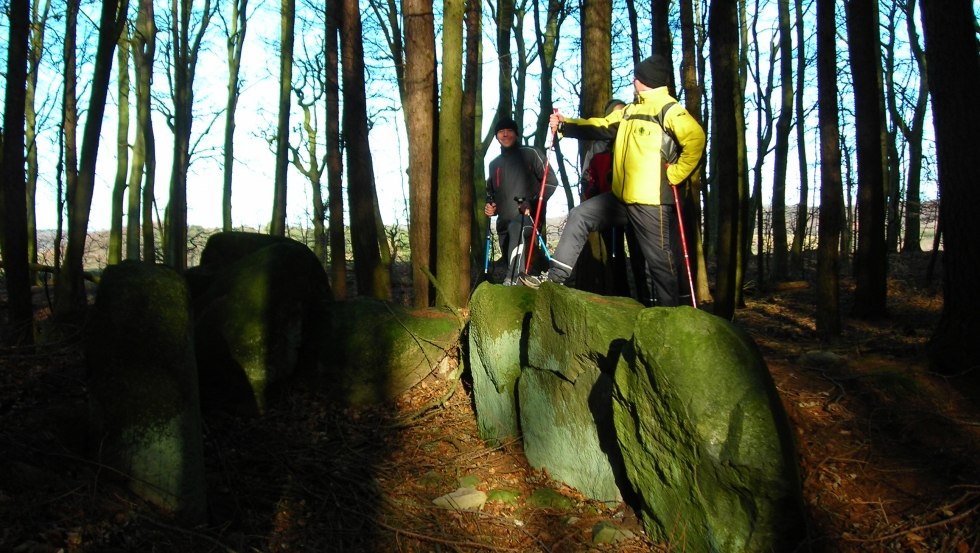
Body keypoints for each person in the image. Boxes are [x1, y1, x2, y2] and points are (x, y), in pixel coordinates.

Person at [520, 54, 705, 307]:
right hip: (620, 198)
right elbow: (601, 125)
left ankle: (672, 317)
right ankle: (554, 278)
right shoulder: (631, 110)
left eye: (637, 77)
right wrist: (565, 125)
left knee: (661, 264)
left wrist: (676, 173)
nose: (633, 80)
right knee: (579, 215)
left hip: (651, 202)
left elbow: (695, 139)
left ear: (646, 81)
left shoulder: (669, 110)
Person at [485, 116, 558, 285]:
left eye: (509, 131)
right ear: (496, 136)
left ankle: (514, 280)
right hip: (503, 224)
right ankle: (519, 287)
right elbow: (491, 194)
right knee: (512, 258)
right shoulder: (493, 164)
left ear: (516, 134)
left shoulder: (531, 153)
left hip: (528, 218)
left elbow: (551, 181)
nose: (505, 135)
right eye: (501, 132)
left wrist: (532, 203)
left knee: (516, 231)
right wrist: (490, 206)